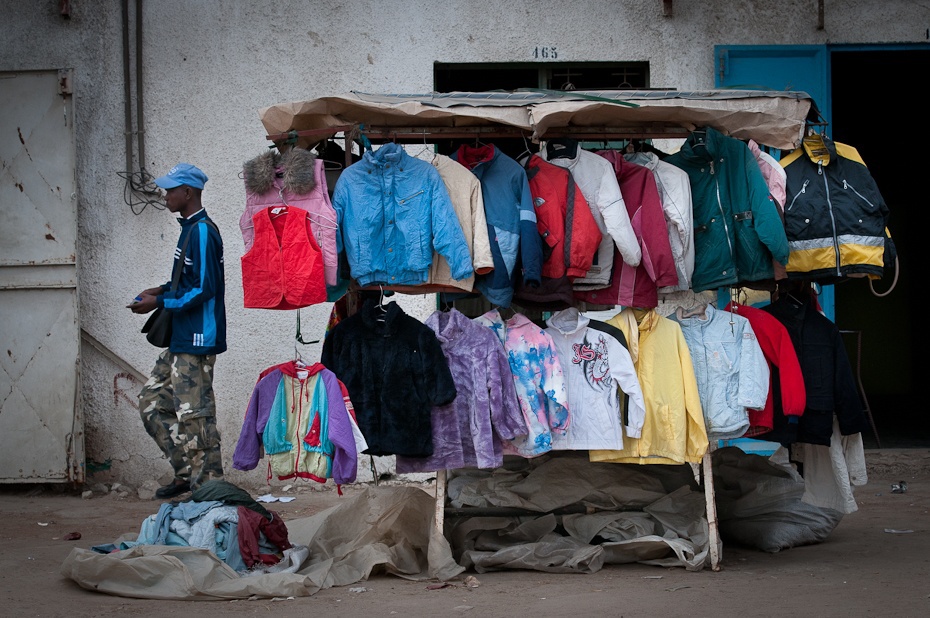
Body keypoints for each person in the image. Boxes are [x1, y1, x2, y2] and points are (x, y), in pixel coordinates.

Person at [127, 163, 227, 499]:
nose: (166, 195)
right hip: (182, 336)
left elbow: (204, 288)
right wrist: (158, 291)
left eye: (172, 190)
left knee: (195, 415)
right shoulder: (188, 229)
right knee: (152, 404)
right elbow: (185, 281)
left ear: (189, 193)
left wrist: (159, 303)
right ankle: (187, 473)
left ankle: (209, 488)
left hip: (198, 338)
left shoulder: (202, 231)